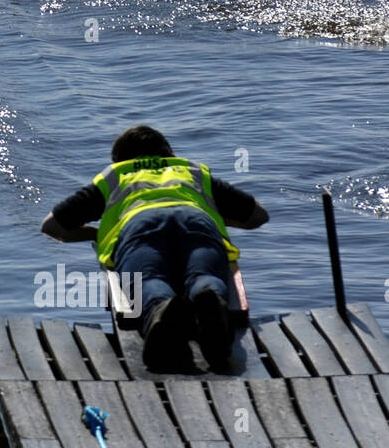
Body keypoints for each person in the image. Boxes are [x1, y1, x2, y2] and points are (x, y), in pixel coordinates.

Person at [40, 126, 269, 370]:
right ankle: (209, 298)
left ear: (119, 159)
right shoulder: (191, 171)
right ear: (168, 153)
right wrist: (218, 216)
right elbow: (258, 216)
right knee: (205, 276)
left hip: (139, 228)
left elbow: (52, 226)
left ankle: (161, 309)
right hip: (196, 222)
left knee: (147, 279)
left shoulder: (116, 175)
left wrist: (100, 234)